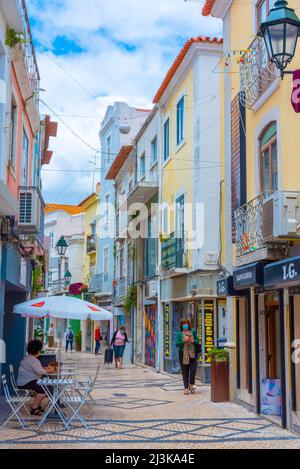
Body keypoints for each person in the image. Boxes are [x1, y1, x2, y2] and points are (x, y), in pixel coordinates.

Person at [17, 340, 56, 416]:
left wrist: (45, 369)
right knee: (43, 390)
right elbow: (39, 371)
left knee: (43, 388)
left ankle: (37, 406)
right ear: (37, 350)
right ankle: (34, 408)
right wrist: (50, 370)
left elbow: (37, 369)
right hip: (26, 382)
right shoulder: (33, 360)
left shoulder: (28, 358)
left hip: (25, 381)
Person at [176, 319, 199, 395]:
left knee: (193, 369)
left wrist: (193, 341)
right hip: (183, 354)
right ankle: (186, 388)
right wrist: (183, 341)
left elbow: (197, 341)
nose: (185, 325)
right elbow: (177, 344)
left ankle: (191, 385)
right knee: (185, 371)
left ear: (189, 324)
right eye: (183, 324)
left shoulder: (193, 331)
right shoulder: (179, 333)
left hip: (193, 353)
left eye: (186, 324)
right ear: (181, 325)